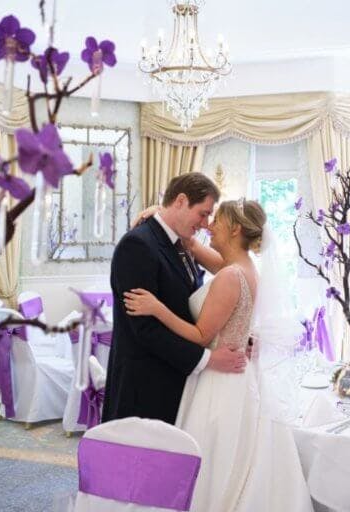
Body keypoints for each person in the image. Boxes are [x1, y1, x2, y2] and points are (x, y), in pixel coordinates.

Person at [123, 199, 311, 512]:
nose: (210, 225)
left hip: (220, 380)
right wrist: (159, 212)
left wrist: (157, 309)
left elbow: (201, 336)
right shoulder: (242, 268)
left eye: (217, 221)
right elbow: (192, 244)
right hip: (239, 376)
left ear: (235, 228)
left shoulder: (229, 276)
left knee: (214, 458)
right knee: (237, 455)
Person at [102, 173, 248, 425]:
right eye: (203, 214)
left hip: (175, 382)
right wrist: (207, 359)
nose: (205, 224)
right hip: (145, 388)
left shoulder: (183, 243)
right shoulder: (137, 246)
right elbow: (145, 331)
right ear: (181, 201)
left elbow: (193, 307)